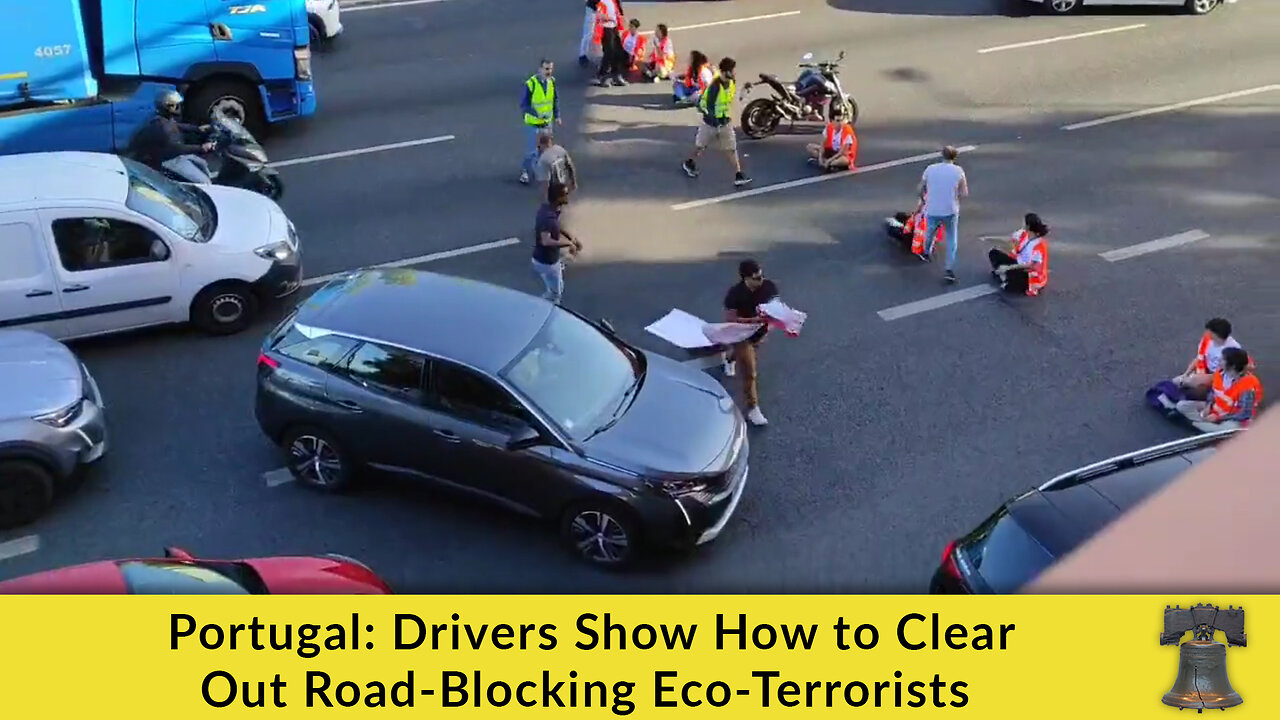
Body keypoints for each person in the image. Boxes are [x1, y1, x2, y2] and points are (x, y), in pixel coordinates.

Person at [682, 57, 752, 187]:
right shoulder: (715, 87)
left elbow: (735, 97)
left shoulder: (731, 82)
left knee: (731, 148)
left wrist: (744, 90)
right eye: (732, 71)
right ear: (725, 72)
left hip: (725, 122)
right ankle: (689, 162)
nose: (734, 73)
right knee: (700, 146)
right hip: (710, 124)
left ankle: (739, 174)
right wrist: (714, 120)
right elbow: (707, 106)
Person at [722, 259, 776, 427]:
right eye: (756, 278)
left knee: (747, 353)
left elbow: (776, 306)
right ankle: (753, 408)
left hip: (760, 332)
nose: (761, 280)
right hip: (741, 333)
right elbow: (731, 319)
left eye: (761, 276)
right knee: (750, 372)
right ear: (745, 278)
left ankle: (730, 359)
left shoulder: (768, 287)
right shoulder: (735, 294)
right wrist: (754, 320)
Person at [126, 90, 215, 183]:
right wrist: (201, 148)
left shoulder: (164, 119)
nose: (180, 108)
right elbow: (176, 148)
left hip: (174, 157)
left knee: (202, 164)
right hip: (167, 162)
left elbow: (178, 125)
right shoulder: (162, 127)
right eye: (177, 105)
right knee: (204, 182)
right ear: (169, 107)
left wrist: (198, 129)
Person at [1173, 347, 1264, 433]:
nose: (1219, 361)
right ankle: (1203, 425)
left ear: (1232, 366)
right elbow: (1213, 392)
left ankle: (1195, 423)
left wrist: (1219, 418)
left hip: (1233, 418)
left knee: (1230, 428)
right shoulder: (1220, 373)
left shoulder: (1248, 385)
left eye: (1222, 360)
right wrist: (1208, 406)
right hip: (1216, 408)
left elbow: (1245, 413)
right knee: (1182, 405)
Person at [916, 145, 969, 283]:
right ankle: (949, 269)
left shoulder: (931, 168)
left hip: (932, 208)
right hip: (950, 209)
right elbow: (964, 193)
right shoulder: (958, 171)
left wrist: (923, 199)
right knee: (952, 238)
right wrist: (955, 196)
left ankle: (926, 252)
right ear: (954, 157)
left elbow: (920, 187)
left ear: (942, 155)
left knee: (929, 231)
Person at [1172, 318, 1254, 400]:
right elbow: (1199, 357)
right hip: (1206, 369)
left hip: (1220, 374)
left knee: (1192, 382)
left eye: (1209, 332)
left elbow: (1246, 366)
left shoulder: (1233, 348)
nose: (1206, 333)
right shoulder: (1207, 340)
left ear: (1216, 335)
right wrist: (1186, 374)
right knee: (1179, 381)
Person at [531, 184, 581, 304]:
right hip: (546, 262)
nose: (568, 196)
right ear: (558, 198)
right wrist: (568, 244)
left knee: (557, 286)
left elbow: (558, 226)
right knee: (555, 294)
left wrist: (570, 238)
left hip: (548, 259)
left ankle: (560, 266)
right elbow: (546, 241)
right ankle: (542, 308)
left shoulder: (550, 209)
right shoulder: (548, 218)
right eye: (565, 194)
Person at [985, 213, 1050, 296]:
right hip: (1017, 263)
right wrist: (990, 239)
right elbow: (1009, 239)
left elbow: (1031, 266)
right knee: (993, 253)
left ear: (1028, 226)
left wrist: (1008, 267)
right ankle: (1006, 276)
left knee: (1008, 286)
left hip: (1027, 271)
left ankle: (1006, 276)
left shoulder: (1040, 245)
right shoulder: (1023, 234)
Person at [519, 59, 561, 185]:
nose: (549, 71)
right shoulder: (530, 84)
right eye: (546, 69)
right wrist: (536, 113)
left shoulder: (552, 82)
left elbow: (555, 99)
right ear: (540, 69)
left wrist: (557, 115)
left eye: (550, 69)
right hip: (533, 123)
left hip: (547, 122)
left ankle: (544, 173)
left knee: (546, 150)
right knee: (533, 151)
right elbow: (524, 105)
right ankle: (525, 171)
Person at [805, 104, 858, 173]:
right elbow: (822, 144)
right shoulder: (828, 128)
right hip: (831, 150)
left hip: (841, 154)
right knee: (810, 147)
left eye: (841, 120)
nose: (840, 123)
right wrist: (820, 158)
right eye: (837, 121)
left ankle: (830, 163)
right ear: (832, 121)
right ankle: (826, 163)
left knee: (844, 160)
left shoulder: (847, 130)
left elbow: (841, 152)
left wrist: (829, 160)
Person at [534, 130, 578, 196]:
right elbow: (570, 166)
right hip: (563, 188)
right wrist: (573, 183)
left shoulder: (543, 159)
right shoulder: (560, 149)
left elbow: (545, 183)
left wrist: (544, 199)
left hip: (553, 193)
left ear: (540, 143)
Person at [594, 0, 627, 87]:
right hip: (606, 29)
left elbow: (617, 12)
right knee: (609, 52)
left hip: (613, 28)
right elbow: (599, 15)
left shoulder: (612, 1)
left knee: (618, 51)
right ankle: (603, 75)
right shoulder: (602, 2)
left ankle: (616, 74)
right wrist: (610, 18)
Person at [579, 0, 600, 68]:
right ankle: (582, 55)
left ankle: (585, 54)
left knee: (592, 33)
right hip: (592, 9)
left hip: (596, 8)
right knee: (588, 34)